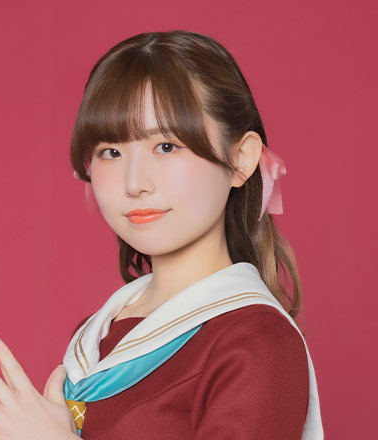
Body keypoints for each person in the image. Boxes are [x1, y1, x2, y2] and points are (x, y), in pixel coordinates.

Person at [63, 30, 324, 439]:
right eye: (111, 152)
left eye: (167, 146)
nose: (135, 183)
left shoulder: (255, 341)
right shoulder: (95, 336)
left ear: (241, 159)